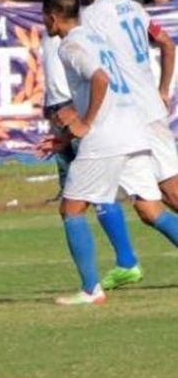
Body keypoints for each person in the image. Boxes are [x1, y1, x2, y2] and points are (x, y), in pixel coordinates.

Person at [38, 0, 177, 305]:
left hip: (107, 137)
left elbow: (100, 79)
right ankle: (113, 272)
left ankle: (90, 289)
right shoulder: (96, 38)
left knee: (71, 209)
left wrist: (84, 123)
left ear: (53, 17)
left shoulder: (71, 44)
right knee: (150, 209)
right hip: (133, 130)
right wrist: (66, 138)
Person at [75, 0, 178, 259]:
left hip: (129, 118)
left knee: (156, 203)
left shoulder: (91, 17)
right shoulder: (133, 7)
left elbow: (97, 70)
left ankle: (120, 265)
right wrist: (162, 89)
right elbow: (167, 44)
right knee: (161, 200)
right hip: (151, 111)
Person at [41, 32, 142, 291]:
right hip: (66, 110)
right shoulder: (67, 34)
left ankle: (95, 285)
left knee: (76, 203)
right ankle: (125, 262)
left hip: (74, 111)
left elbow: (96, 77)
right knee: (96, 195)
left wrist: (77, 116)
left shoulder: (72, 38)